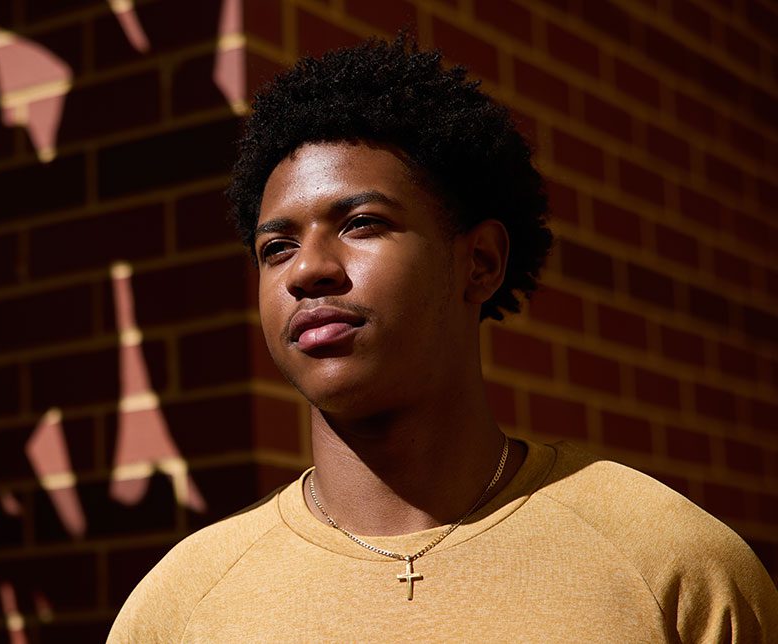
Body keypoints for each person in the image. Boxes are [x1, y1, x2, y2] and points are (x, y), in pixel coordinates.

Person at [108, 36, 778, 642]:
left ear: (479, 262)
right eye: (276, 247)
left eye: (362, 223)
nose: (308, 268)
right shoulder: (179, 609)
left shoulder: (674, 567)